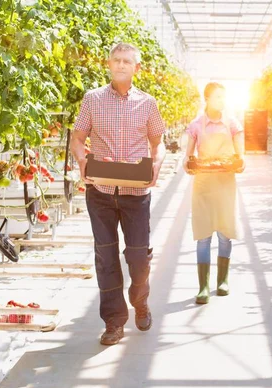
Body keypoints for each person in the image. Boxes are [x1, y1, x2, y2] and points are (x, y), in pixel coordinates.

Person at [71, 43, 167, 345]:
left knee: (138, 257)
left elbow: (158, 143)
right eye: (117, 60)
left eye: (127, 61)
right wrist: (83, 162)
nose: (122, 65)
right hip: (100, 191)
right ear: (109, 65)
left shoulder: (148, 103)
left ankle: (140, 299)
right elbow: (77, 138)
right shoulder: (93, 99)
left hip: (135, 193)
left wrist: (157, 165)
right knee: (106, 256)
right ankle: (114, 321)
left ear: (136, 67)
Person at [183, 82, 244, 304]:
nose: (222, 101)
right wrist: (190, 165)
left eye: (224, 97)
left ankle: (223, 281)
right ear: (207, 99)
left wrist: (239, 162)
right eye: (217, 97)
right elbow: (187, 158)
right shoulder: (196, 125)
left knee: (225, 233)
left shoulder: (233, 124)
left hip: (226, 182)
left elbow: (241, 156)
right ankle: (203, 287)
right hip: (204, 184)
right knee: (203, 235)